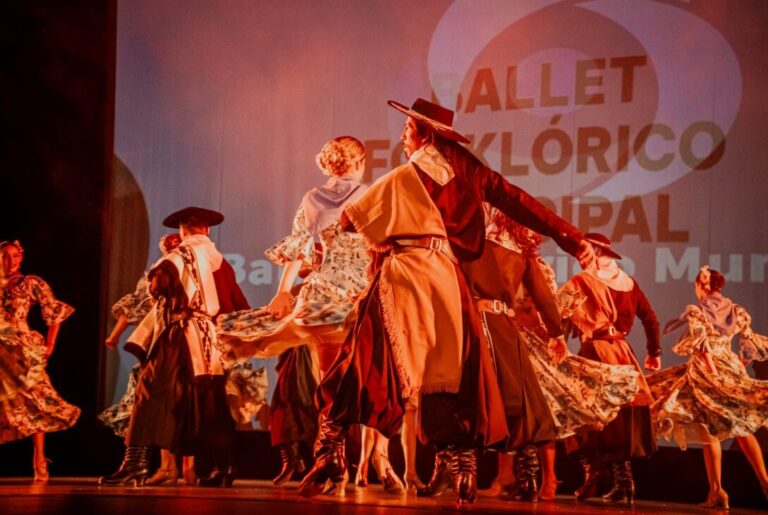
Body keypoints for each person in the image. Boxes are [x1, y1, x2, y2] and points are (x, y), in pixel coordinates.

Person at [299, 98, 595, 504]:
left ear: (425, 134)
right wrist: (573, 238)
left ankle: (329, 448)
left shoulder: (401, 178)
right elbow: (522, 202)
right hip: (445, 281)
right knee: (450, 373)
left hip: (401, 275)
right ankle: (463, 469)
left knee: (363, 357)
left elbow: (349, 222)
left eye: (407, 129)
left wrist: (320, 255)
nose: (403, 136)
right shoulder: (472, 173)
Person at [468, 209, 640, 502]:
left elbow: (545, 301)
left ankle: (533, 478)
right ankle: (519, 477)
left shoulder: (492, 250)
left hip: (508, 334)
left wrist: (554, 334)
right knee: (517, 406)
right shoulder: (510, 252)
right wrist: (556, 333)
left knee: (515, 405)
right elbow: (546, 301)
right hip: (512, 333)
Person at [102, 206, 249, 487]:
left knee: (150, 390)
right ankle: (224, 466)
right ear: (206, 230)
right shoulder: (220, 260)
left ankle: (136, 463)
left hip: (179, 335)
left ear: (182, 230)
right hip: (209, 340)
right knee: (208, 401)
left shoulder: (179, 255)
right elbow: (236, 301)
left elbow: (159, 283)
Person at [649, 266, 768, 509]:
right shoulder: (736, 310)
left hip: (708, 371)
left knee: (709, 429)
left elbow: (702, 348)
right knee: (740, 428)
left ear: (701, 286)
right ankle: (762, 483)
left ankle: (717, 491)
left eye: (696, 285)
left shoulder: (698, 311)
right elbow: (748, 340)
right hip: (731, 367)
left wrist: (712, 372)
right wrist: (740, 361)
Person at [559, 233, 660, 505]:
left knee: (580, 413)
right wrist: (654, 352)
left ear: (596, 253)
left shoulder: (583, 282)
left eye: (585, 253)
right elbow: (650, 319)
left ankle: (600, 475)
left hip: (597, 353)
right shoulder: (630, 283)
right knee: (617, 418)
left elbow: (558, 312)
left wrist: (552, 337)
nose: (581, 259)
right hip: (622, 354)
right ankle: (621, 482)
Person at [98, 233, 198, 485]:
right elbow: (134, 306)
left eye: (176, 244)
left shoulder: (192, 268)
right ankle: (165, 466)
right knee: (159, 401)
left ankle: (186, 467)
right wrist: (114, 336)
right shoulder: (157, 274)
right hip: (157, 344)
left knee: (182, 402)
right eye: (168, 246)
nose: (172, 248)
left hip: (181, 342)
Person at [0, 240, 80, 482]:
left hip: (21, 350)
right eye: (4, 256)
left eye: (14, 256)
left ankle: (39, 459)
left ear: (21, 258)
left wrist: (50, 343)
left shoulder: (30, 282)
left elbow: (53, 310)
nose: (10, 260)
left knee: (35, 401)